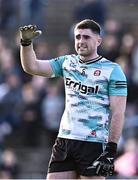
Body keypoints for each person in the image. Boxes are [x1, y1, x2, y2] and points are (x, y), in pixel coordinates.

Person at [19, 19, 127, 179]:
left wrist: (111, 148)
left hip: (93, 143)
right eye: (77, 37)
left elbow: (118, 112)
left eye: (86, 37)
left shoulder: (113, 70)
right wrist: (26, 43)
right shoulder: (67, 63)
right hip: (65, 140)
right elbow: (32, 67)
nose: (81, 41)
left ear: (99, 41)